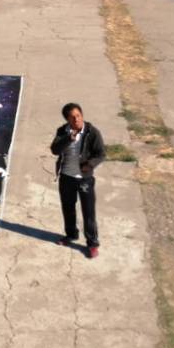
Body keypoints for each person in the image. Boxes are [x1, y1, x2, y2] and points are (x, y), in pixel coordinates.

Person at [49, 103, 106, 259]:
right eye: (72, 117)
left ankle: (92, 244)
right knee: (68, 209)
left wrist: (90, 165)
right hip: (66, 177)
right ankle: (71, 235)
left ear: (82, 115)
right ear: (67, 120)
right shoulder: (63, 131)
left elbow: (101, 154)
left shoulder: (92, 132)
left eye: (78, 115)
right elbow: (55, 150)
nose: (76, 120)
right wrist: (68, 139)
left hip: (84, 179)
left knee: (88, 212)